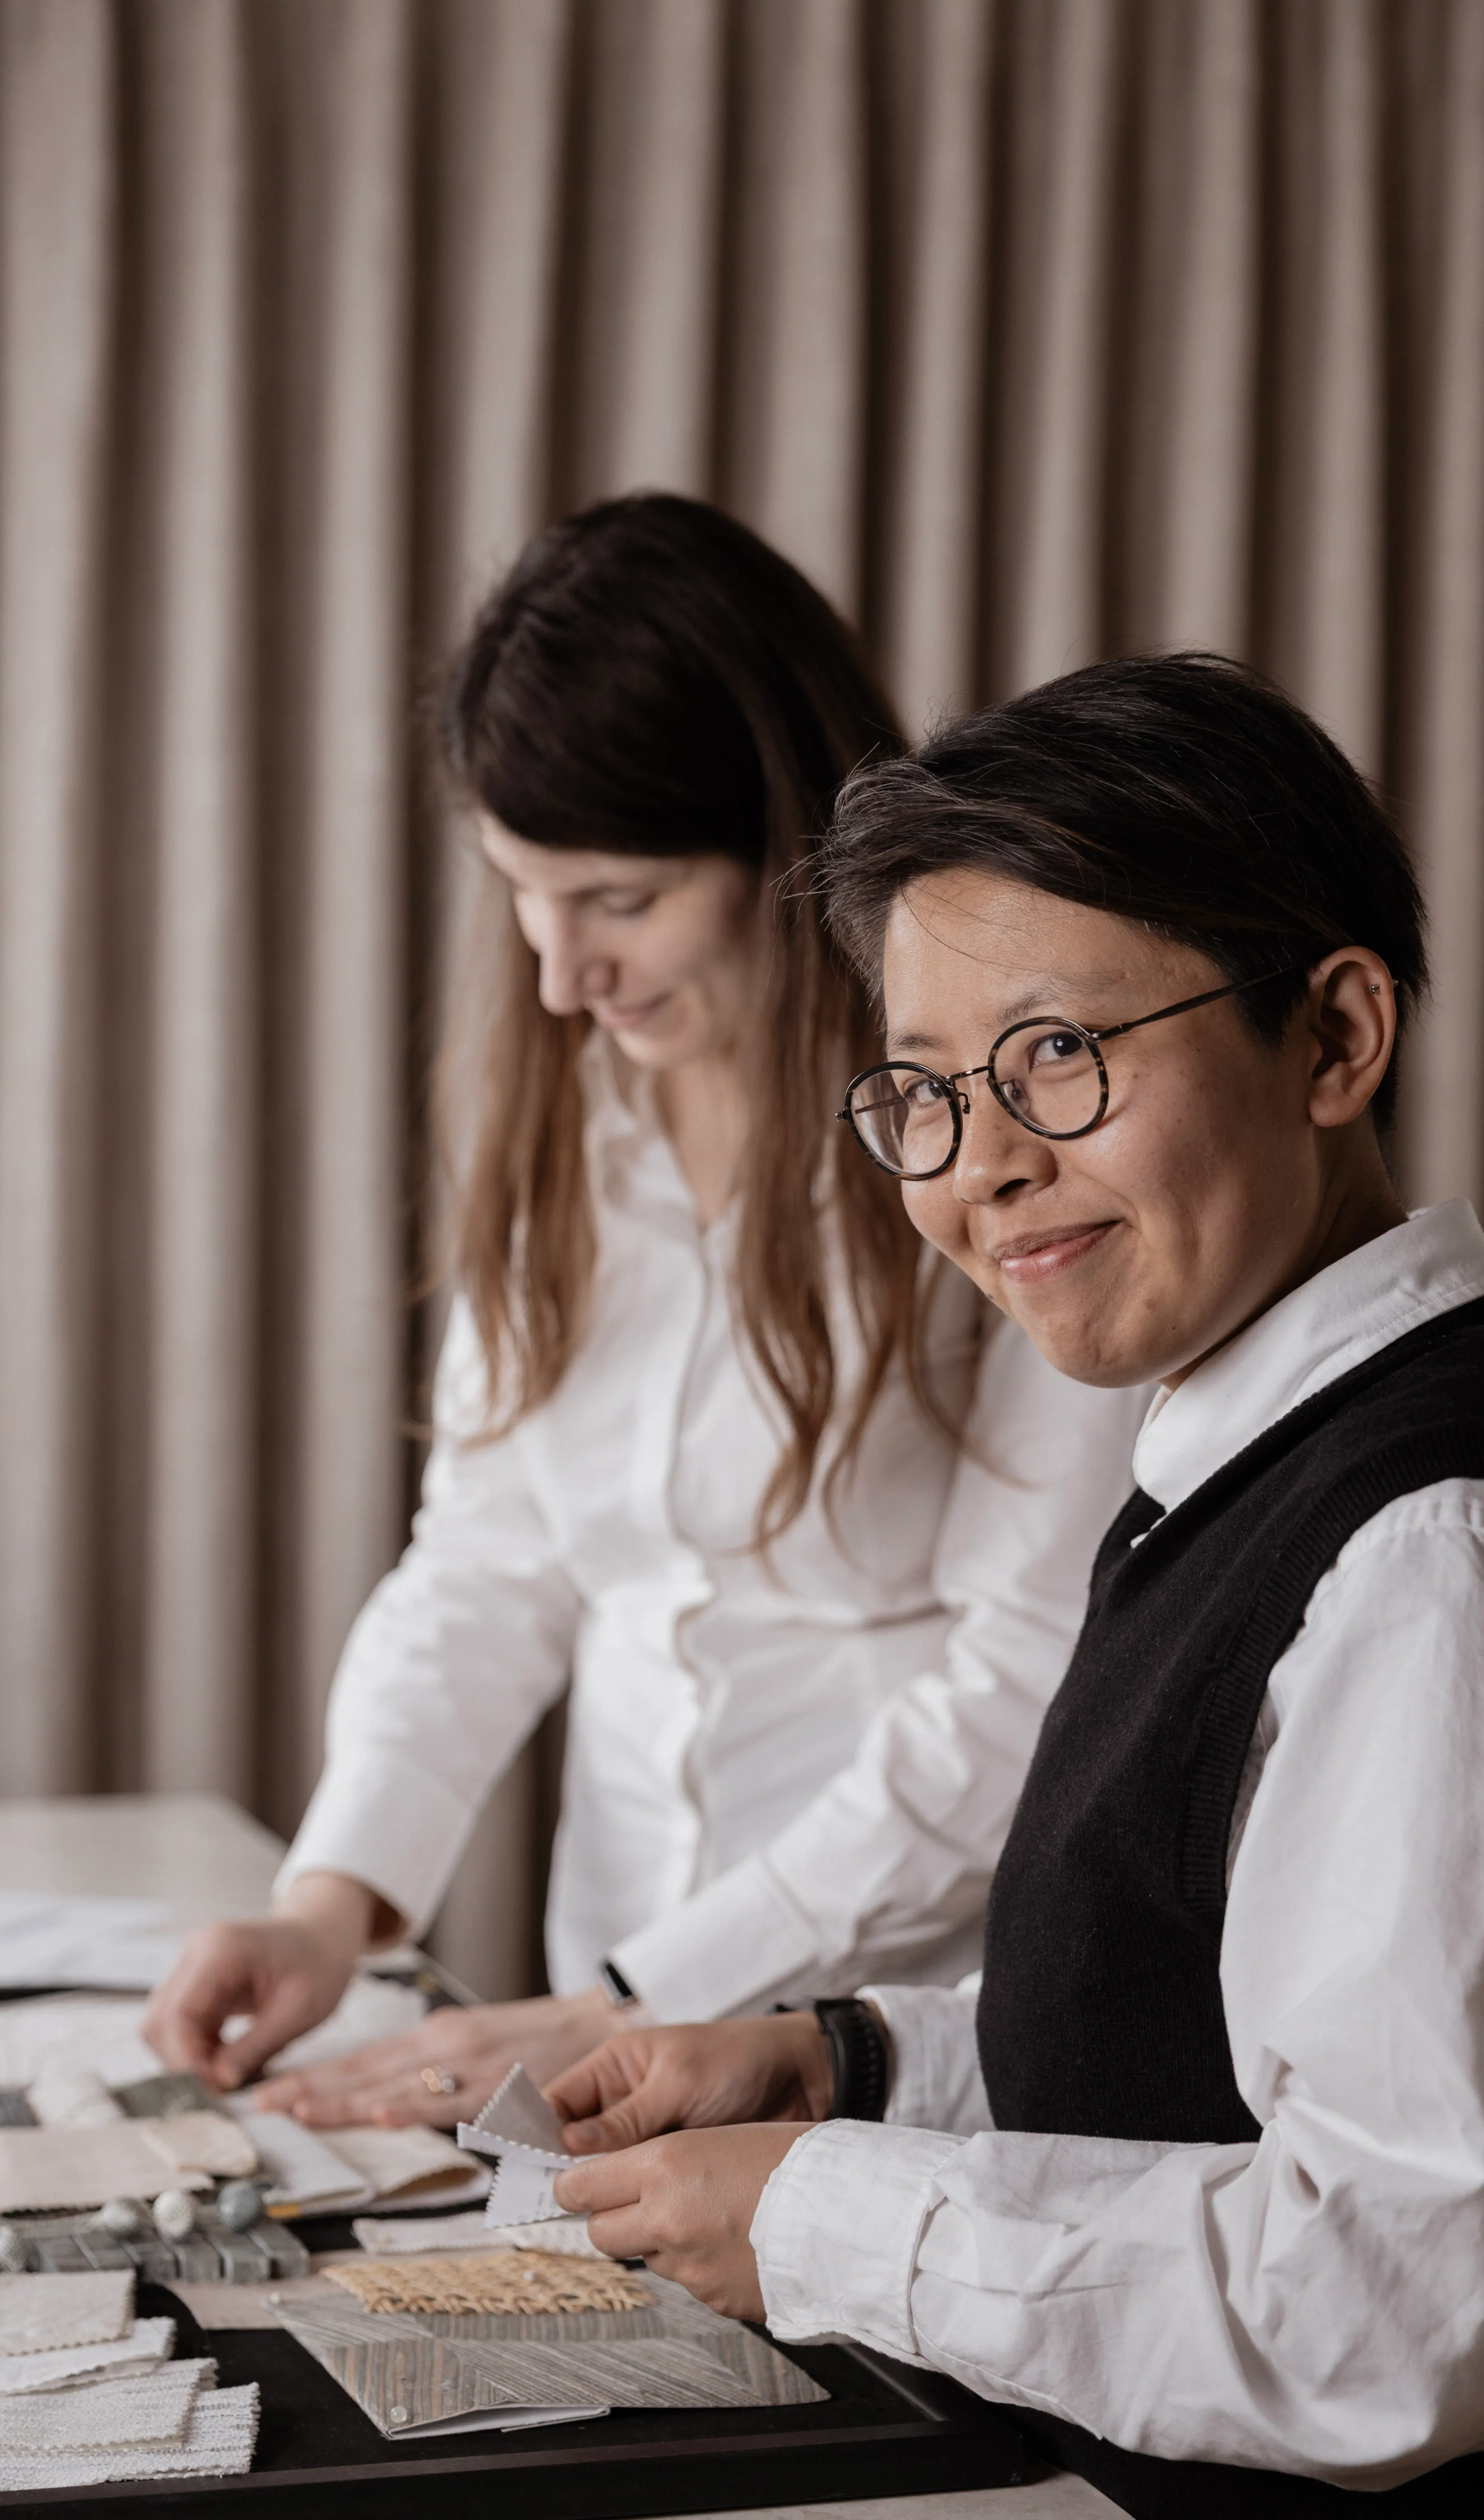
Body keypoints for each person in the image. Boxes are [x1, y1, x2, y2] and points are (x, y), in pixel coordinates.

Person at [548, 652, 1484, 2510]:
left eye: (1059, 1052)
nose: (978, 1167)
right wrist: (855, 2064)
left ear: (1332, 1037)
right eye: (922, 1088)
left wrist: (831, 2212)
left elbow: (1387, 2311)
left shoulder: (1418, 1547)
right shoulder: (1239, 1448)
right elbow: (1225, 2029)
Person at [143, 496, 1143, 2130]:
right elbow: (488, 1562)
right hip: (600, 2000)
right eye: (523, 893)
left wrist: (660, 1986)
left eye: (617, 900)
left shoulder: (984, 1146)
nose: (559, 976)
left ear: (790, 850)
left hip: (903, 2030)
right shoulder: (566, 1134)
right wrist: (330, 1899)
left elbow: (1030, 1665)